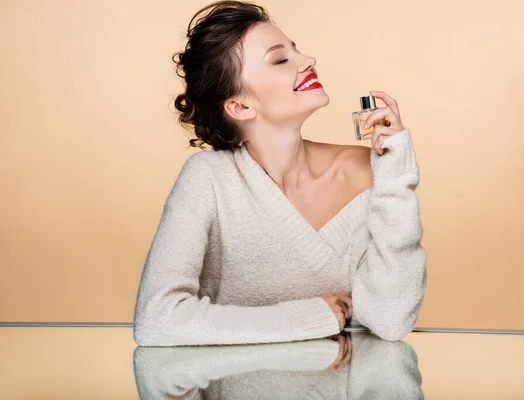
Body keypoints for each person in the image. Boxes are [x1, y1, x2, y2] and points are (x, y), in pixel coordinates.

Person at [133, 0, 427, 346]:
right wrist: (311, 316)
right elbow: (156, 319)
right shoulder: (207, 179)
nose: (308, 61)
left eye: (296, 48)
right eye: (281, 59)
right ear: (241, 106)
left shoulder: (366, 171)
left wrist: (395, 178)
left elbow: (391, 321)